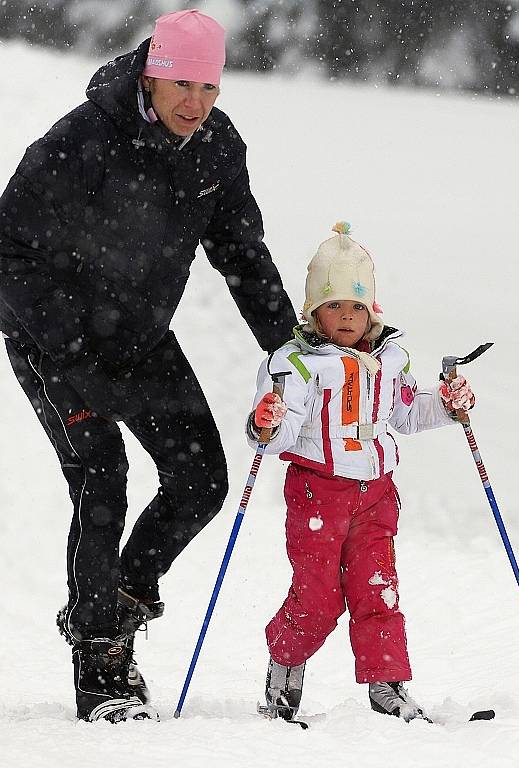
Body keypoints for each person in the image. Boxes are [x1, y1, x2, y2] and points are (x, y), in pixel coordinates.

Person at [0, 10, 296, 723]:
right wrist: (72, 352)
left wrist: (290, 344)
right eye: (182, 82)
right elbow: (10, 250)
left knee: (200, 479)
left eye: (210, 86)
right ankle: (100, 664)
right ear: (151, 74)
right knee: (102, 474)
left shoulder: (216, 148)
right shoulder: (85, 138)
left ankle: (116, 600)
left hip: (136, 334)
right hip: (52, 338)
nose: (195, 102)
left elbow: (242, 254)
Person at [246, 223, 475, 724]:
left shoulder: (389, 359)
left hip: (376, 494)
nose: (346, 317)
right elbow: (280, 434)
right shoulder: (298, 364)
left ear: (372, 311)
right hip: (317, 493)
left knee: (378, 588)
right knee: (319, 596)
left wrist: (449, 405)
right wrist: (268, 422)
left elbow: (409, 412)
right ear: (314, 311)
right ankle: (285, 666)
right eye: (333, 306)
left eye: (356, 306)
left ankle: (386, 684)